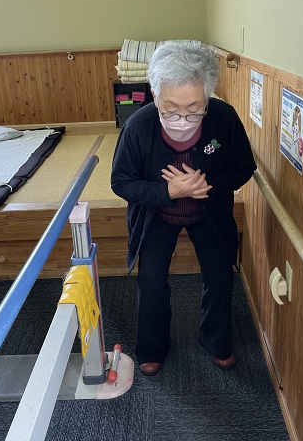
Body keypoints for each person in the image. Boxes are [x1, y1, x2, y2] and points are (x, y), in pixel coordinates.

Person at [111, 40, 256, 376]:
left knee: (220, 274)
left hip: (209, 212)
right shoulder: (138, 127)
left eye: (194, 109)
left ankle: (216, 342)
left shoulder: (224, 119)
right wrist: (168, 191)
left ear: (208, 97)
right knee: (151, 279)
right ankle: (152, 348)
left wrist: (208, 186)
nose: (182, 119)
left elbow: (243, 167)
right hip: (157, 214)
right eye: (171, 109)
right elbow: (121, 182)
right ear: (154, 95)